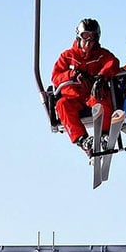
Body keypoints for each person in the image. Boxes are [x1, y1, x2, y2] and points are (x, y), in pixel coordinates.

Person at [51, 18, 120, 155]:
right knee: (62, 104)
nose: (88, 41)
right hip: (74, 96)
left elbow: (112, 63)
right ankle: (82, 139)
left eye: (92, 37)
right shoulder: (68, 56)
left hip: (91, 94)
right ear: (78, 36)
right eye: (85, 36)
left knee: (100, 98)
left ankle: (104, 134)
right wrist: (71, 74)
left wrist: (101, 76)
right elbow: (55, 76)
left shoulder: (100, 55)